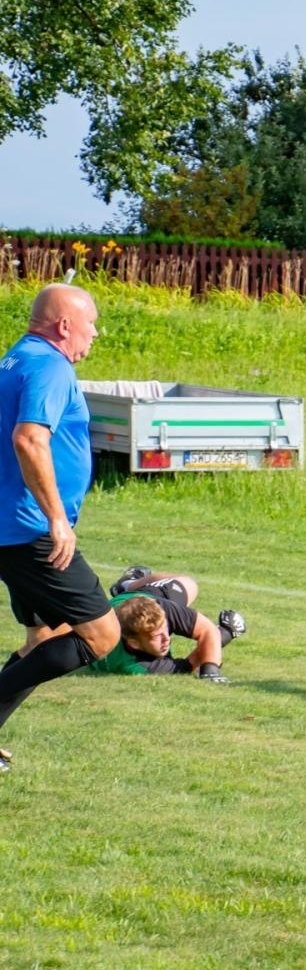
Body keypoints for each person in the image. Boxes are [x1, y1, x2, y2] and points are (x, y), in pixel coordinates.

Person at [0, 283, 118, 773]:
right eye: (89, 324)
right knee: (99, 635)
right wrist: (54, 517)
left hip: (10, 527)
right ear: (64, 325)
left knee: (43, 639)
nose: (94, 334)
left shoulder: (16, 358)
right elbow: (29, 438)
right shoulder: (50, 366)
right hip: (30, 531)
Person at [84, 565, 246, 680]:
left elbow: (207, 630)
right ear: (134, 643)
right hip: (120, 609)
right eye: (156, 636)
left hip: (138, 598)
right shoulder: (137, 667)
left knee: (189, 584)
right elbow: (187, 666)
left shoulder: (161, 609)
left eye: (166, 630)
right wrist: (225, 634)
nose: (166, 639)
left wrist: (211, 670)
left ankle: (128, 584)